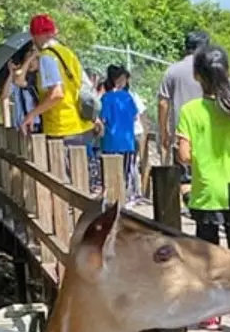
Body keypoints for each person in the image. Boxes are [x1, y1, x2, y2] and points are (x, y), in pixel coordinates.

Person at [176, 45, 230, 331]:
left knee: (208, 257)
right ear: (227, 72)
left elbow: (184, 155)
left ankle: (212, 313)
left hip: (206, 193)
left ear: (197, 76)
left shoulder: (191, 111)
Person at [21, 14, 98, 184]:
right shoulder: (68, 53)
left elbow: (57, 94)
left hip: (62, 129)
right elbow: (84, 85)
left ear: (36, 35)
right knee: (81, 181)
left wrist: (32, 114)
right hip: (81, 125)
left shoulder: (48, 57)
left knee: (65, 183)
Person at [159, 30, 211, 195]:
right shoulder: (211, 69)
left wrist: (164, 131)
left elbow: (163, 102)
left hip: (182, 134)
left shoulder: (173, 71)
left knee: (185, 178)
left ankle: (189, 205)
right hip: (209, 132)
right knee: (206, 176)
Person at [99, 65, 141, 204]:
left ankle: (110, 199)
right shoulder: (128, 97)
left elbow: (103, 119)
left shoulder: (106, 98)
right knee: (125, 173)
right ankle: (125, 199)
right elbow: (135, 116)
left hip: (110, 141)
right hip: (127, 141)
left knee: (109, 173)